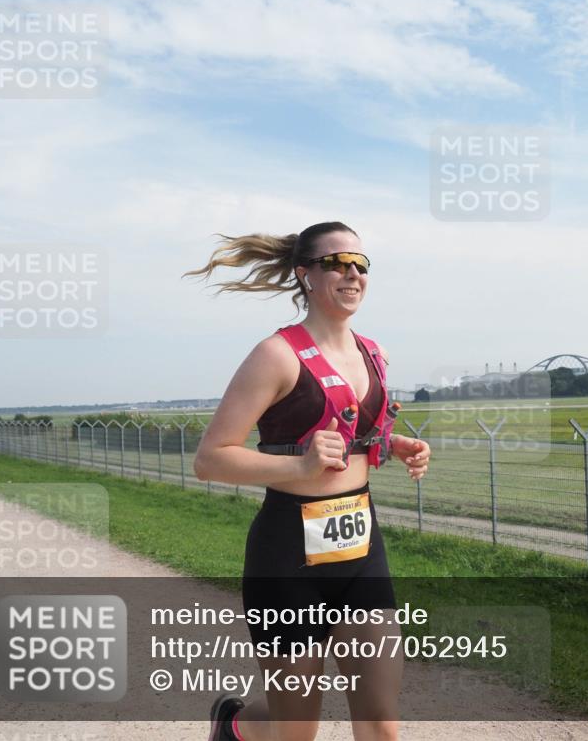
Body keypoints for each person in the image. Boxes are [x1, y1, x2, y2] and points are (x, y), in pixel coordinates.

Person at [184, 221, 431, 741]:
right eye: (336, 263)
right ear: (306, 275)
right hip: (287, 557)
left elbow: (354, 438)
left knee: (382, 724)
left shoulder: (374, 354)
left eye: (361, 264)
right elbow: (210, 459)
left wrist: (393, 445)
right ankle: (234, 725)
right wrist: (297, 468)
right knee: (294, 730)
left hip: (361, 550)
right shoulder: (276, 355)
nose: (352, 273)